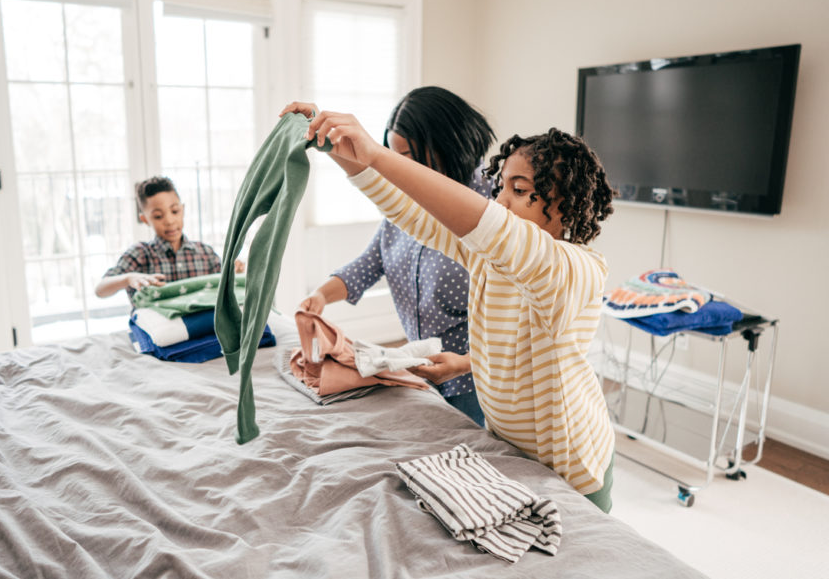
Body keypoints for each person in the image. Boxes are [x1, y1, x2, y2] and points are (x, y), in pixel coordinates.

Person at [284, 103, 617, 512]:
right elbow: (410, 214)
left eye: (520, 189)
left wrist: (376, 153)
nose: (502, 200)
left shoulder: (575, 268)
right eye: (501, 188)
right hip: (514, 451)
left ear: (563, 203)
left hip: (573, 468)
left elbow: (497, 231)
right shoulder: (487, 258)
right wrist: (337, 148)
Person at [296, 87, 495, 427]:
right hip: (423, 373)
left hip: (476, 384)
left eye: (409, 156)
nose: (398, 168)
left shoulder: (492, 208)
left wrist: (466, 363)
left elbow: (517, 325)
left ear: (446, 146)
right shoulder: (406, 205)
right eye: (392, 153)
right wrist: (321, 296)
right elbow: (370, 263)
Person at [95, 176, 242, 302]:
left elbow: (226, 284)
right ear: (145, 219)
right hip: (156, 331)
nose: (170, 221)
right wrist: (128, 279)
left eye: (175, 211)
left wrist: (236, 270)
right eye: (158, 216)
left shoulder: (204, 253)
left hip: (200, 331)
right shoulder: (140, 254)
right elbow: (100, 290)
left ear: (182, 210)